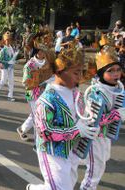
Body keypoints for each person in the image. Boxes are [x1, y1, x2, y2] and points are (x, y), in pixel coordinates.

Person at [26, 48, 100, 190]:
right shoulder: (47, 99)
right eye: (75, 73)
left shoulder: (75, 93)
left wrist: (89, 127)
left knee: (68, 185)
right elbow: (45, 132)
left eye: (80, 72)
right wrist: (76, 130)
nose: (79, 77)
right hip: (52, 152)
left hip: (71, 149)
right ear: (59, 72)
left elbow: (80, 117)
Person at [79, 46, 125, 189]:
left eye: (118, 69)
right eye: (110, 71)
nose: (116, 74)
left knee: (100, 161)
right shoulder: (96, 92)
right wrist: (117, 115)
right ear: (101, 73)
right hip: (93, 136)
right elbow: (94, 121)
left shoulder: (118, 88)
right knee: (96, 168)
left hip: (104, 135)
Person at [17, 38, 55, 141]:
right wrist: (37, 82)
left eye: (44, 51)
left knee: (36, 114)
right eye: (41, 50)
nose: (43, 53)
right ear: (36, 51)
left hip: (45, 93)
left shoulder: (48, 63)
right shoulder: (29, 65)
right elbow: (26, 82)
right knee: (37, 117)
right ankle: (37, 142)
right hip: (33, 94)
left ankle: (22, 129)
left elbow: (53, 75)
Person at [0, 31, 17, 101]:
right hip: (4, 67)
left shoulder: (11, 48)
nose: (8, 41)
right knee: (3, 80)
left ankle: (10, 96)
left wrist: (14, 60)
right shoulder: (3, 50)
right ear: (4, 40)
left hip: (11, 67)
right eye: (7, 40)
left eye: (9, 40)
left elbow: (13, 57)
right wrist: (1, 63)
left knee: (11, 81)